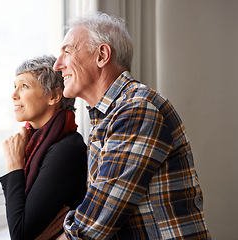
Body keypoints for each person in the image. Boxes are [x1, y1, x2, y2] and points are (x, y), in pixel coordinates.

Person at [52, 13, 211, 239]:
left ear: (102, 55)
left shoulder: (137, 109)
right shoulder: (109, 114)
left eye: (67, 51)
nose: (58, 65)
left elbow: (94, 224)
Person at [0, 55, 87, 240]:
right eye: (15, 87)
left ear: (54, 96)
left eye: (24, 86)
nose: (14, 95)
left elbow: (20, 234)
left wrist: (14, 164)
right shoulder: (32, 144)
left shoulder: (67, 149)